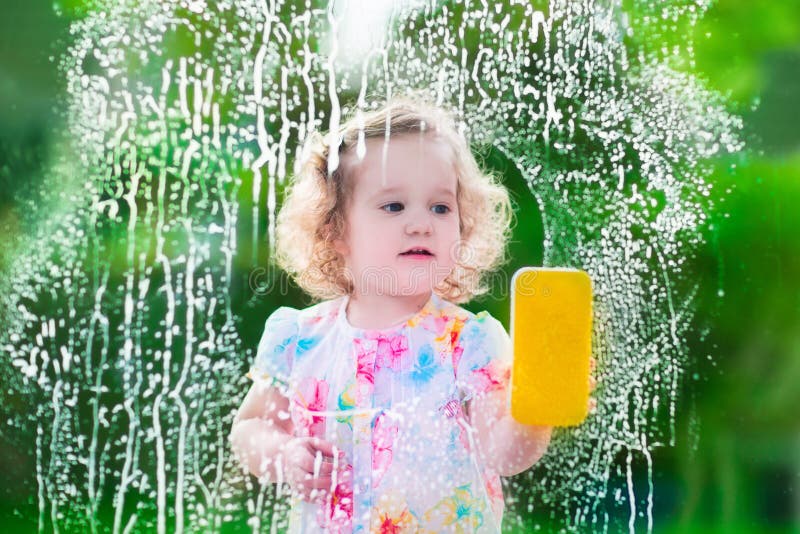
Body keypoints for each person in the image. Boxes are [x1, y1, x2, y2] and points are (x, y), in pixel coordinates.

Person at [229, 93, 586, 532]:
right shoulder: (300, 338)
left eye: (440, 207)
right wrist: (283, 455)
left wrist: (536, 407)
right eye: (394, 206)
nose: (421, 223)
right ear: (335, 229)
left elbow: (503, 456)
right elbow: (249, 429)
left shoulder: (469, 341)